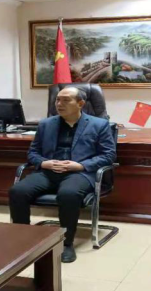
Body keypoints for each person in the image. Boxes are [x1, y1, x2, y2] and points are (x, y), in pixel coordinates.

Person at [9, 87, 116, 263]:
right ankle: (24, 240)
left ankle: (66, 243)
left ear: (80, 103)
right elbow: (33, 153)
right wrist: (44, 163)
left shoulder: (99, 124)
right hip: (48, 171)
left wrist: (80, 165)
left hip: (79, 173)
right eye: (57, 100)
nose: (59, 104)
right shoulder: (46, 124)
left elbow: (108, 155)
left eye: (66, 100)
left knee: (68, 194)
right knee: (17, 191)